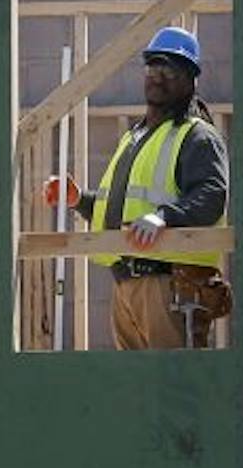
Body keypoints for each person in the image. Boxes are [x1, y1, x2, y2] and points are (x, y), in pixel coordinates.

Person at [42, 27, 231, 350]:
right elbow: (120, 210)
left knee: (173, 390)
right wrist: (79, 200)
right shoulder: (136, 137)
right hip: (127, 285)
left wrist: (163, 218)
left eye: (169, 68)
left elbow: (211, 196)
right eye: (152, 66)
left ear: (191, 78)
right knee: (136, 395)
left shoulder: (197, 136)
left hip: (170, 283)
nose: (157, 76)